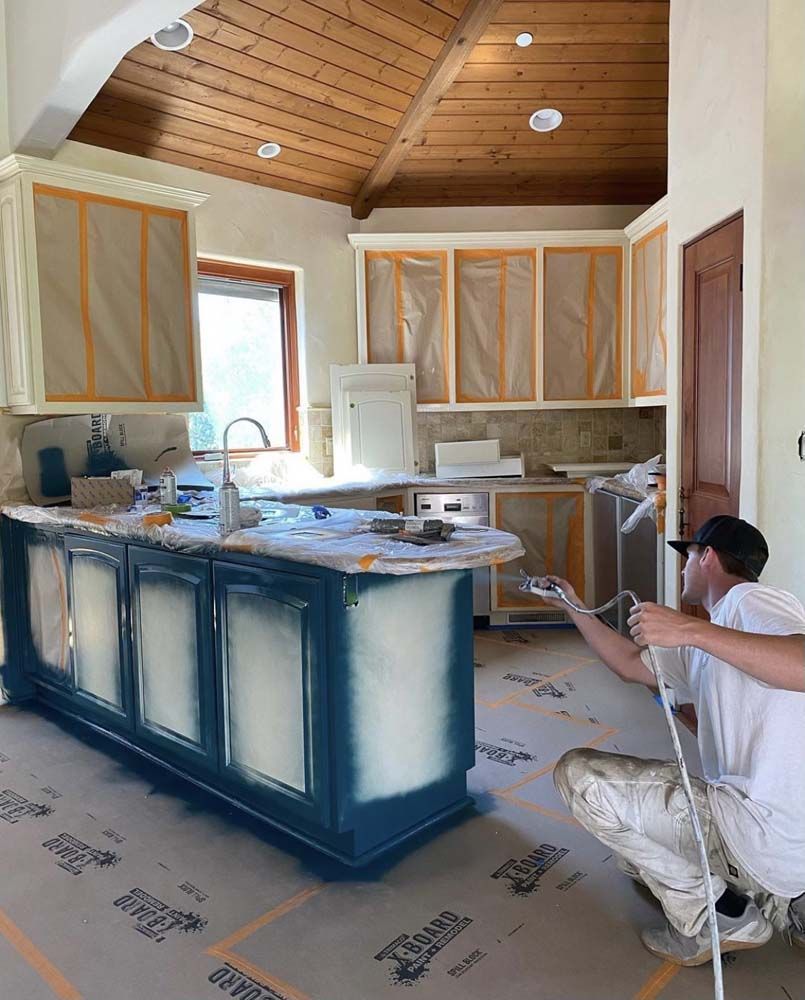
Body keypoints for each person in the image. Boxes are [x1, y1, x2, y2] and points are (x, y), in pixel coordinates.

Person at [542, 515, 805, 965]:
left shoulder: (751, 601)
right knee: (636, 859)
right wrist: (571, 604)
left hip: (758, 831)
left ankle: (714, 918)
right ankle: (783, 900)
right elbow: (631, 663)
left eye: (687, 558)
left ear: (708, 557)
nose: (683, 569)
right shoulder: (719, 637)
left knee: (581, 779)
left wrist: (686, 628)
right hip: (778, 841)